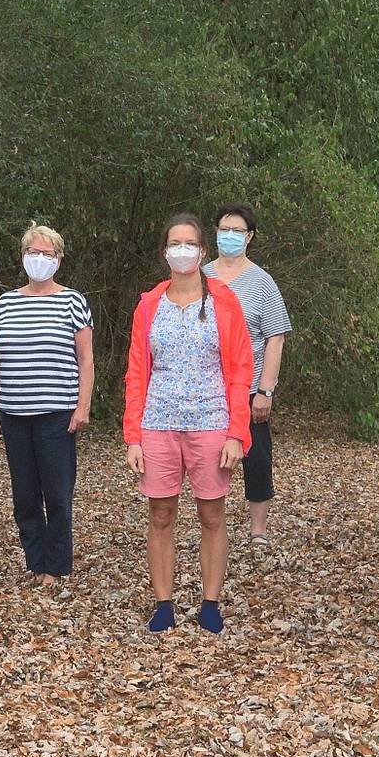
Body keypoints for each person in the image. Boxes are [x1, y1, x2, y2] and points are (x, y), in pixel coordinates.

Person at [123, 214, 253, 636]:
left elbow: (239, 369)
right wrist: (133, 436)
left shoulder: (224, 302)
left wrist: (237, 432)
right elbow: (137, 372)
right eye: (174, 243)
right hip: (158, 423)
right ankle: (164, 604)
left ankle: (210, 603)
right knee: (160, 513)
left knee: (212, 514)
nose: (183, 250)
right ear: (164, 251)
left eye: (190, 243)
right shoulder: (149, 305)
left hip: (211, 422)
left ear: (202, 250)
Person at [0, 225, 93, 585]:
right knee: (24, 496)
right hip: (14, 414)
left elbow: (86, 359)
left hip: (56, 414)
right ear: (23, 256)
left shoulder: (72, 301)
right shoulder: (7, 302)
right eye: (34, 252)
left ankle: (56, 566)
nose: (40, 259)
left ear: (58, 259)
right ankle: (35, 561)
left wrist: (82, 406)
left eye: (47, 253)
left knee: (57, 494)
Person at [204, 203, 291, 555]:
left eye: (237, 231)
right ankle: (213, 527)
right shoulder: (201, 275)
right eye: (224, 229)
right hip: (207, 389)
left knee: (256, 459)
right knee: (209, 460)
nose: (229, 236)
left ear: (249, 236)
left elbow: (275, 337)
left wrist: (265, 390)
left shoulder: (262, 282)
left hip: (249, 388)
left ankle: (258, 529)